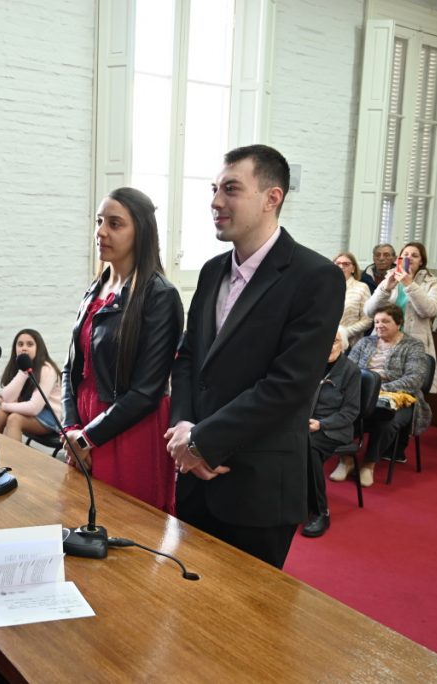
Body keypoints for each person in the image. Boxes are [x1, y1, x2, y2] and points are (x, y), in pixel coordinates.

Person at [165, 144, 344, 568]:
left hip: (257, 483)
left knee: (250, 624)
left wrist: (203, 441)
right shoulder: (211, 271)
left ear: (272, 198)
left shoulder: (315, 278)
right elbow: (189, 358)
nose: (214, 202)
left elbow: (289, 386)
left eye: (230, 189)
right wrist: (185, 430)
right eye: (213, 189)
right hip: (195, 474)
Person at [62, 187, 183, 514]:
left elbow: (148, 391)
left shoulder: (160, 296)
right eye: (100, 221)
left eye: (115, 224)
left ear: (140, 232)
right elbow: (71, 368)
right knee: (80, 517)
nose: (101, 231)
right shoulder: (96, 287)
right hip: (86, 424)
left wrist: (87, 439)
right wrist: (72, 428)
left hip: (129, 429)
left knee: (125, 526)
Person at [340, 304, 431, 487]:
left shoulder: (413, 345)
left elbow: (415, 379)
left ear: (399, 323)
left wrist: (380, 388)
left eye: (386, 321)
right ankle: (346, 460)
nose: (380, 325)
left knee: (388, 421)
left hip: (401, 397)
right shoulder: (365, 342)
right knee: (345, 413)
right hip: (364, 393)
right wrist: (366, 389)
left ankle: (369, 465)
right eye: (377, 321)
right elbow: (348, 369)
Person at [302, 328, 361, 538]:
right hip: (305, 424)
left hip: (335, 429)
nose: (329, 346)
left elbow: (351, 412)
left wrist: (321, 424)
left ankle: (320, 512)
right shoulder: (312, 365)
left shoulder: (351, 371)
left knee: (308, 445)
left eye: (335, 341)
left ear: (343, 344)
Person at [363, 241, 437, 392]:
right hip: (384, 342)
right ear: (398, 259)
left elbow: (429, 311)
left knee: (409, 388)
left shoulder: (432, 284)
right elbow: (369, 311)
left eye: (414, 255)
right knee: (377, 386)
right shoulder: (389, 279)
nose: (409, 258)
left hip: (414, 344)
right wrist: (386, 288)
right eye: (405, 255)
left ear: (421, 261)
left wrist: (409, 283)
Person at [0, 329, 63, 443]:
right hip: (33, 412)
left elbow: (34, 408)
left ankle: (13, 460)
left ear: (38, 348)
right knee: (0, 414)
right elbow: (7, 399)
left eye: (29, 344)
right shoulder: (20, 366)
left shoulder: (47, 370)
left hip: (52, 417)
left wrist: (5, 406)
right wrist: (22, 372)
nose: (24, 348)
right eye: (20, 344)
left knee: (14, 419)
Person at [334, 251, 373, 340]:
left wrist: (344, 333)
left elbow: (368, 320)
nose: (341, 267)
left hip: (349, 342)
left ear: (353, 268)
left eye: (346, 264)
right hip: (325, 339)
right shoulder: (326, 287)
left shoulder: (362, 288)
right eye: (338, 264)